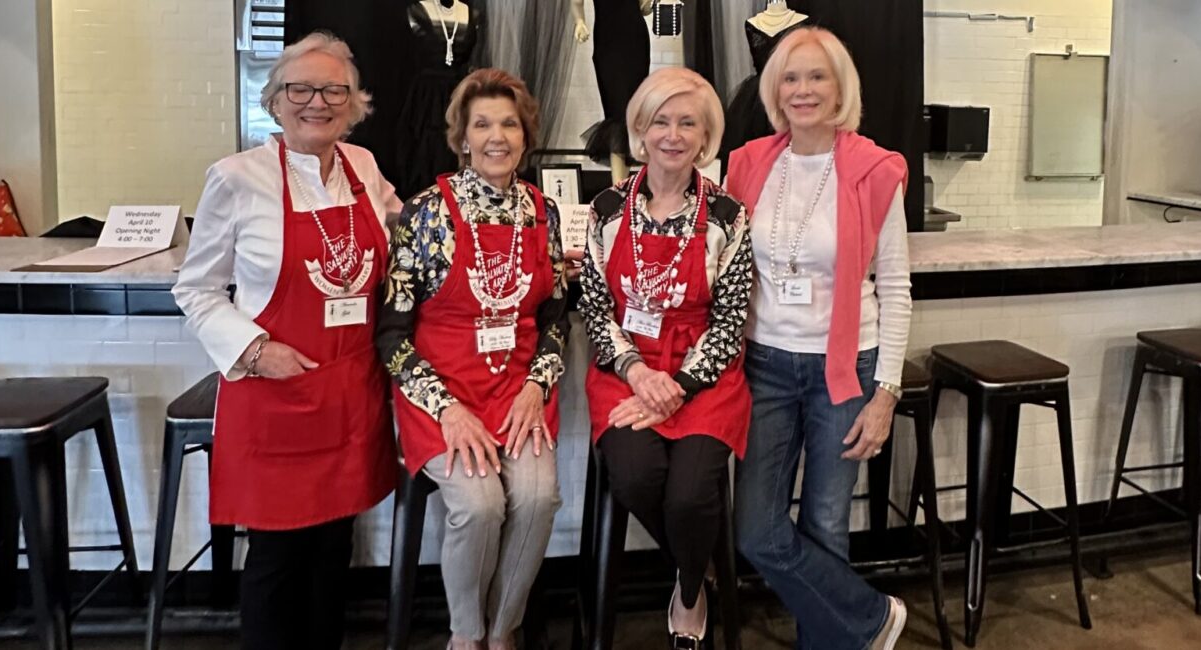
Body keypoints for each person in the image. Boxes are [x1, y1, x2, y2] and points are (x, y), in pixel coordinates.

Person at [173, 31, 398, 650]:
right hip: (275, 392)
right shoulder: (236, 178)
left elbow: (410, 232)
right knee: (277, 555)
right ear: (274, 100)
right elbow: (196, 290)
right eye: (300, 88)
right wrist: (252, 350)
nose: (317, 102)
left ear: (354, 104)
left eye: (334, 90)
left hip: (349, 388)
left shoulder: (364, 167)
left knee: (334, 549)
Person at [725, 27, 913, 650]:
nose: (802, 90)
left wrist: (885, 393)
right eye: (789, 77)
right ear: (773, 89)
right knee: (756, 529)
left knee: (827, 522)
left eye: (816, 77)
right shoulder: (748, 163)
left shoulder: (876, 170)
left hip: (845, 369)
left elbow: (897, 287)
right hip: (765, 365)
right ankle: (872, 619)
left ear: (840, 88)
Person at [375, 68, 567, 650]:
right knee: (480, 505)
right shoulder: (424, 213)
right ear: (461, 137)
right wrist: (447, 411)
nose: (496, 137)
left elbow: (555, 317)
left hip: (519, 391)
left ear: (525, 136)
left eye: (509, 124)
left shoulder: (542, 212)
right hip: (442, 394)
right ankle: (466, 636)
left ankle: (503, 629)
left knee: (537, 498)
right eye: (481, 124)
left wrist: (539, 384)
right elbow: (391, 334)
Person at [580, 66, 754, 647]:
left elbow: (731, 321)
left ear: (705, 139)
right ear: (640, 130)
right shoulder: (605, 209)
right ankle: (695, 560)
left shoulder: (728, 215)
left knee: (691, 493)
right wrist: (637, 373)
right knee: (636, 474)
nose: (673, 135)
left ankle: (687, 590)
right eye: (661, 121)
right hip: (624, 371)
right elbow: (596, 307)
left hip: (702, 377)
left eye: (688, 123)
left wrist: (675, 385)